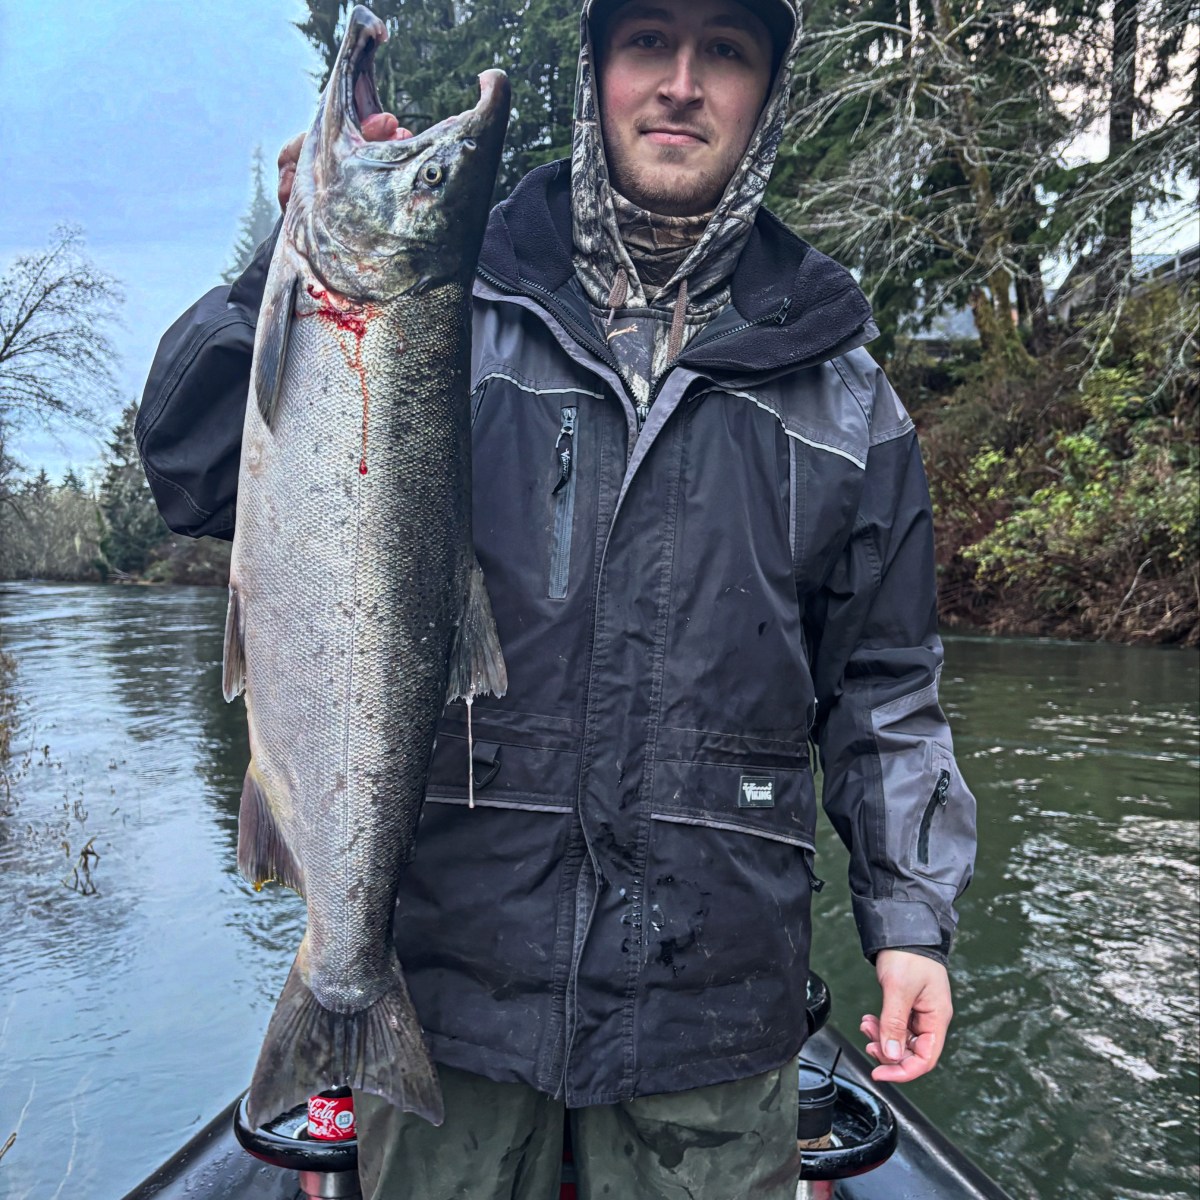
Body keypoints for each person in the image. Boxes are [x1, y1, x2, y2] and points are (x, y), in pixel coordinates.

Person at [138, 0, 976, 1194]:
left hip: (713, 1019)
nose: (682, 83)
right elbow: (191, 472)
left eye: (725, 51)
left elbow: (888, 692)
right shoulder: (436, 312)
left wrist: (911, 922)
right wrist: (269, 272)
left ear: (767, 90)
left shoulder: (847, 398)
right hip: (452, 995)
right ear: (596, 73)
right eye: (648, 43)